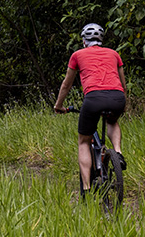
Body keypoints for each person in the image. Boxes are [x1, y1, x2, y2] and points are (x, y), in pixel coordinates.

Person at [53, 23, 127, 199]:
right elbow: (123, 83)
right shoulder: (114, 54)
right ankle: (117, 152)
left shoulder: (77, 55)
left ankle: (86, 189)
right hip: (117, 97)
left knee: (84, 142)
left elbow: (66, 84)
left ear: (84, 41)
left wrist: (59, 105)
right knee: (112, 121)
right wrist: (123, 103)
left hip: (93, 98)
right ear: (101, 40)